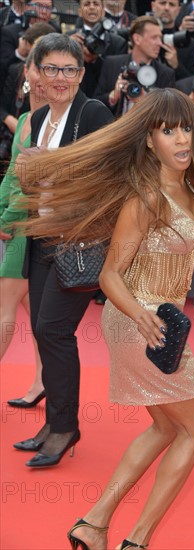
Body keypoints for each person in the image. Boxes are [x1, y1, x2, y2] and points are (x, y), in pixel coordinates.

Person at [16, 88, 194, 549]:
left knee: (168, 426)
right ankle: (138, 540)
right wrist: (141, 315)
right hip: (142, 322)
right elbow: (110, 276)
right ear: (148, 140)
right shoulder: (145, 197)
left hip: (159, 321)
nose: (182, 138)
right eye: (168, 131)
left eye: (187, 127)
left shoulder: (186, 186)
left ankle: (94, 524)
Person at [12, 33, 114, 467]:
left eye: (69, 70)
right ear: (36, 71)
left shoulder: (91, 113)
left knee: (54, 331)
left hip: (79, 240)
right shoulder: (37, 120)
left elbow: (104, 174)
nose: (60, 78)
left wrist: (42, 166)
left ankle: (66, 426)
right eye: (51, 68)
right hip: (42, 237)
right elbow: (33, 183)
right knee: (40, 329)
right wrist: (28, 174)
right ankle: (55, 423)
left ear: (81, 74)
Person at [1, 50, 47, 408]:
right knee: (38, 316)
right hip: (16, 222)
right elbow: (12, 178)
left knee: (4, 309)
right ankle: (42, 382)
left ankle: (42, 382)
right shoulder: (27, 118)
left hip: (28, 227)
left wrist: (8, 218)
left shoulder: (49, 123)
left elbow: (35, 185)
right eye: (41, 67)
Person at [94, 15, 175, 117]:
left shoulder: (166, 74)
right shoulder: (112, 63)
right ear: (137, 39)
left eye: (160, 38)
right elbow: (95, 102)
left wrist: (145, 100)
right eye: (154, 38)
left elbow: (168, 115)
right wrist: (113, 96)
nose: (160, 43)